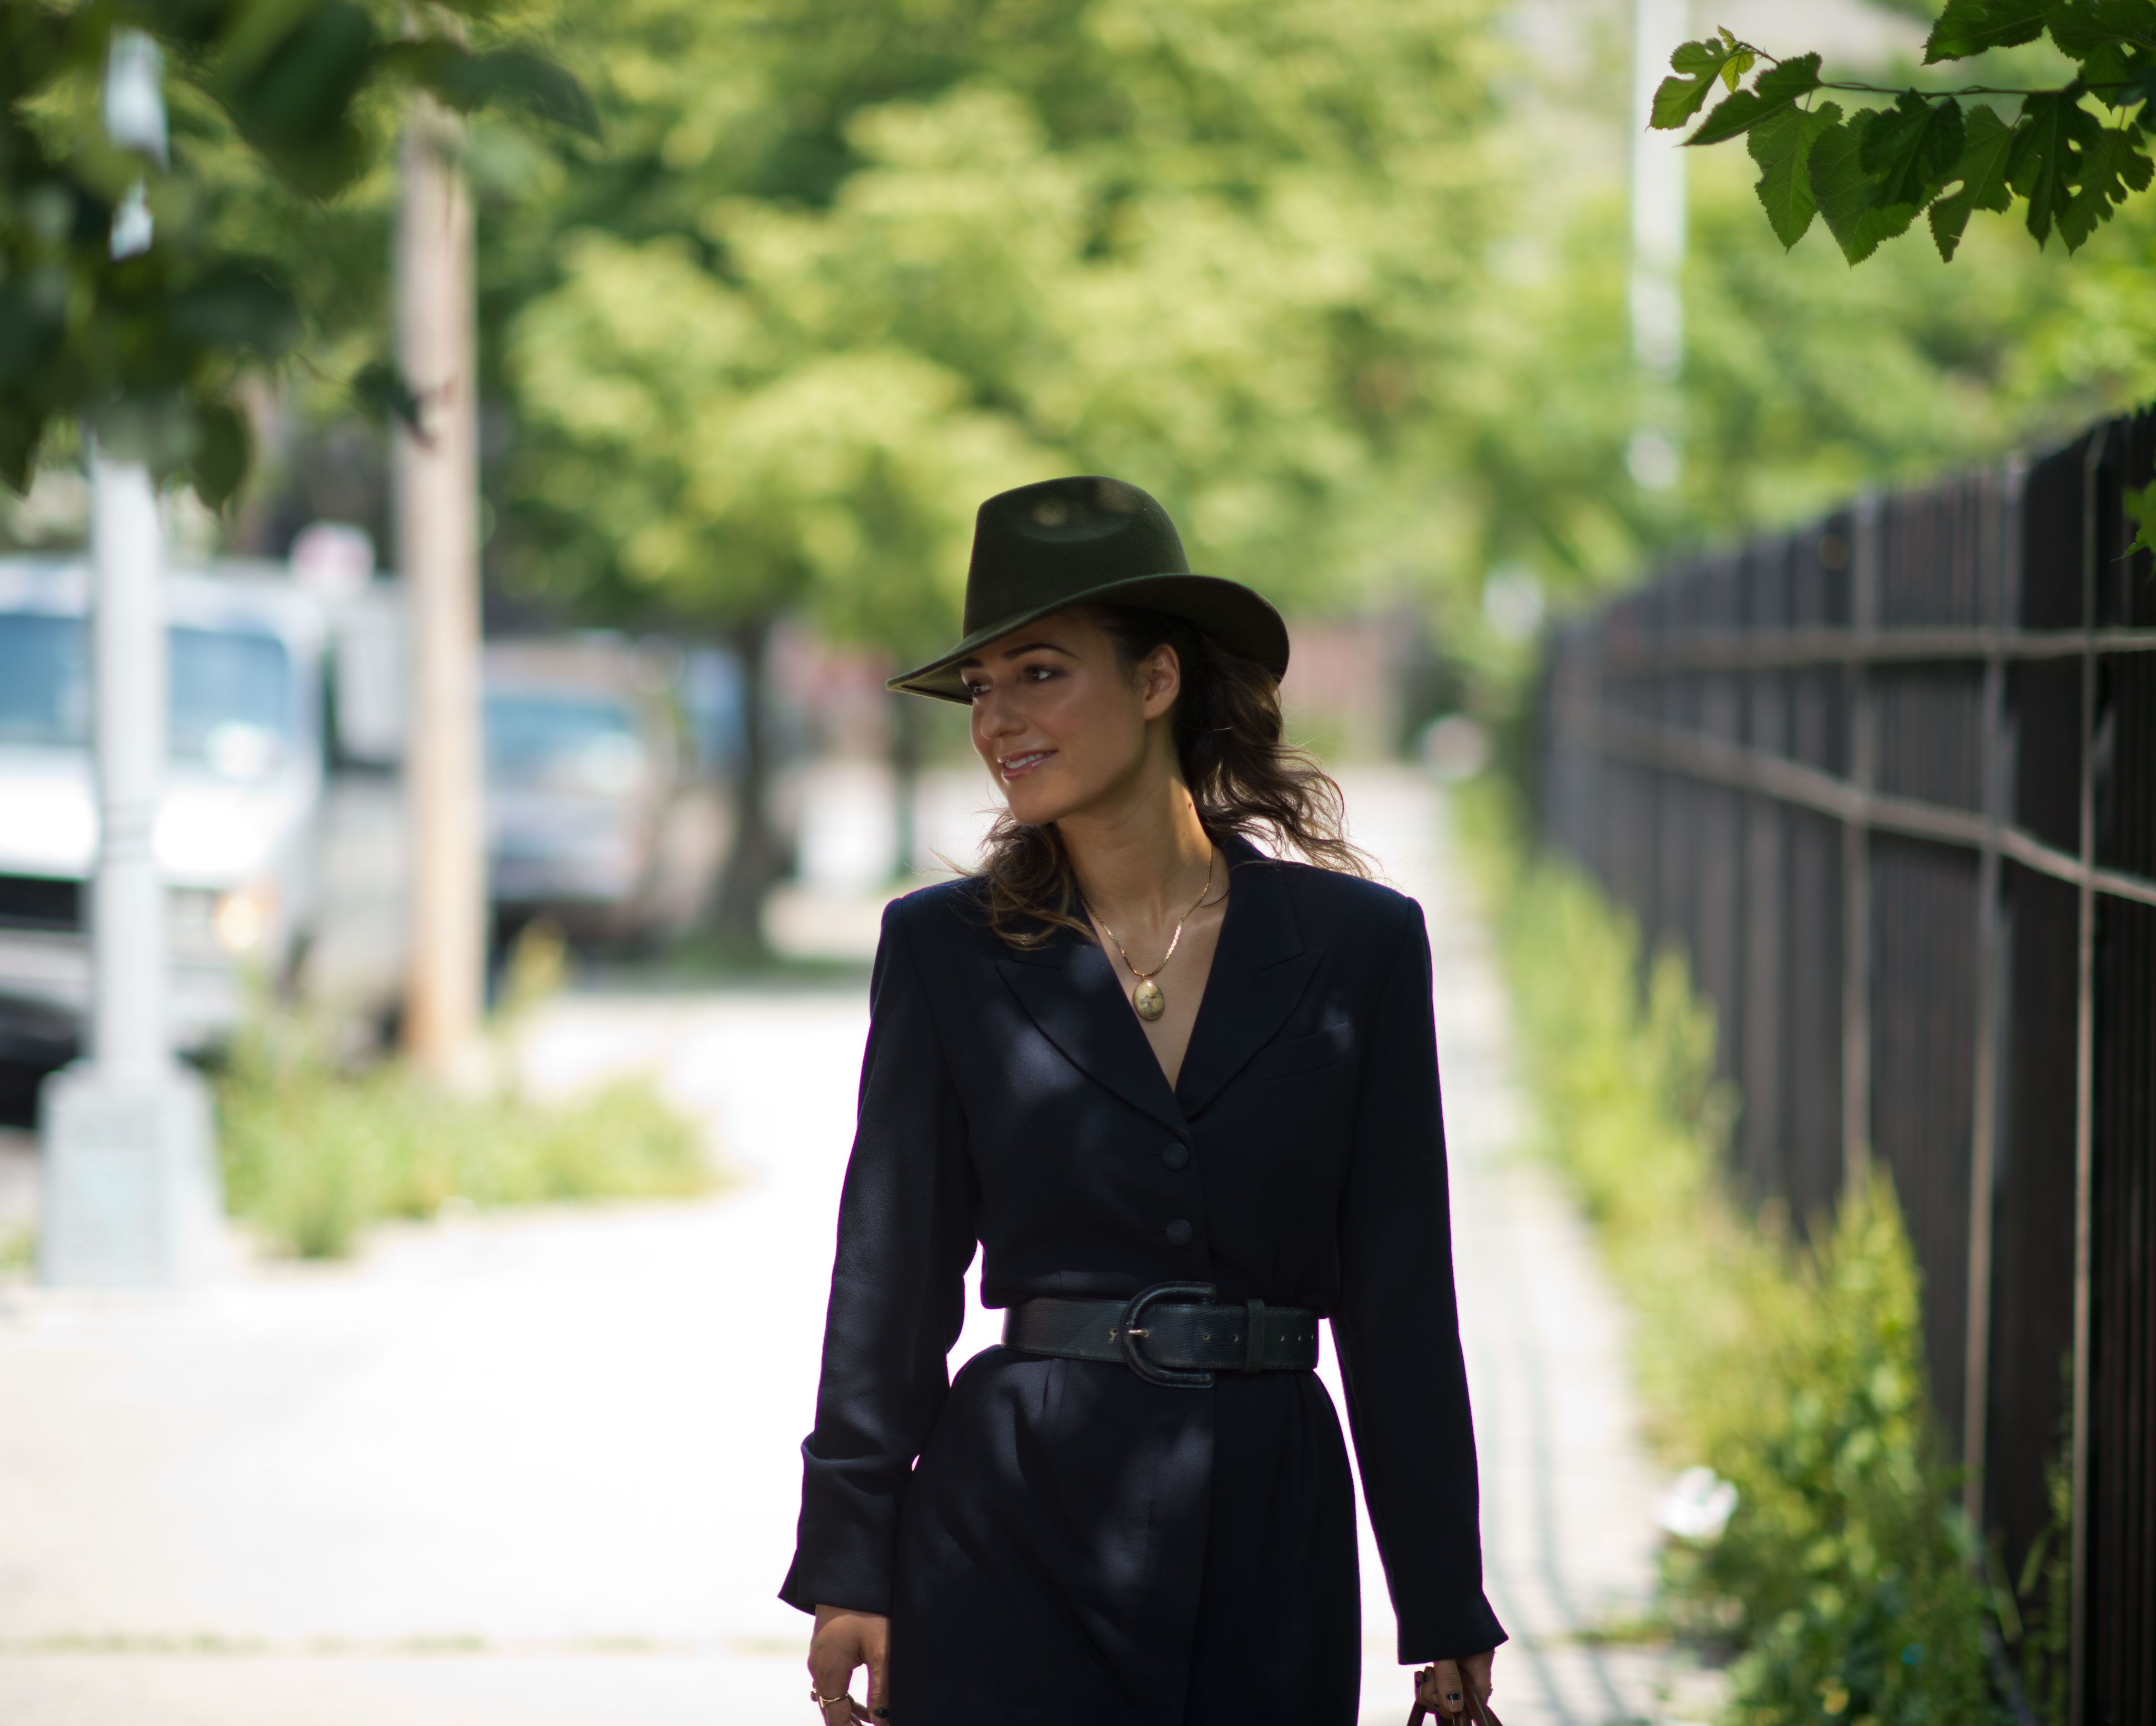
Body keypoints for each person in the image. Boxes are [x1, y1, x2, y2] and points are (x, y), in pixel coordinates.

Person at [780, 476, 1504, 1725]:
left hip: (1270, 1518)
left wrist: (1440, 1593)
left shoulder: (1357, 949)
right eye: (980, 687)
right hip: (1006, 1514)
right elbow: (889, 1272)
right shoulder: (946, 950)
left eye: (1040, 672)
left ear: (1157, 679)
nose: (996, 716)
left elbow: (1399, 1292)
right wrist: (848, 1551)